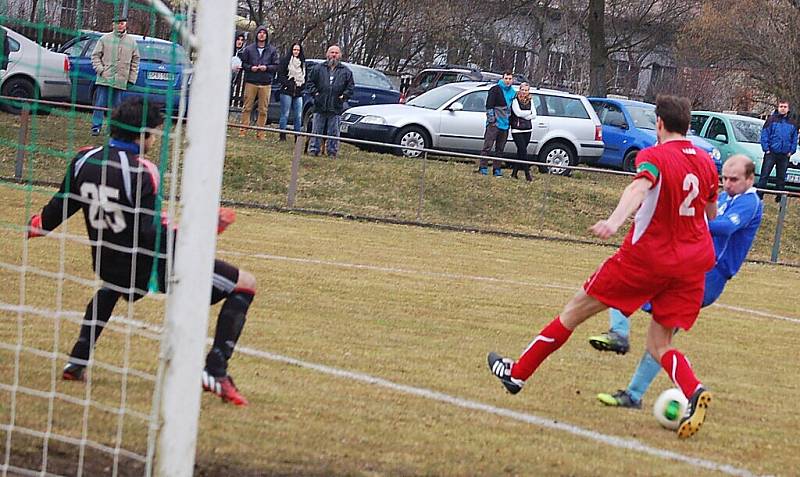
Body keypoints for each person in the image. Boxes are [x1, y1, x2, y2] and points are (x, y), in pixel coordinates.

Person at [487, 95, 720, 439]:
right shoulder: (704, 161)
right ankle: (694, 391)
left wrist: (614, 221)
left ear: (659, 124)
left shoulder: (654, 155)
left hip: (647, 259)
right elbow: (711, 213)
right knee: (660, 344)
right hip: (690, 265)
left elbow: (640, 186)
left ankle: (517, 374)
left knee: (573, 312)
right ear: (688, 125)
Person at [26, 97, 255, 407]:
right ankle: (215, 370)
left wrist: (38, 225)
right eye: (154, 133)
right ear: (142, 134)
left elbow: (56, 210)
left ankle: (77, 360)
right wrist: (206, 230)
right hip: (148, 265)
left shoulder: (84, 159)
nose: (155, 139)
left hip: (109, 264)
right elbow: (152, 234)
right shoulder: (143, 170)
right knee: (244, 283)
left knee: (112, 287)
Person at [588, 154, 763, 409]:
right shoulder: (726, 197)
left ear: (750, 178)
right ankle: (629, 375)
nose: (726, 184)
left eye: (734, 179)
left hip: (709, 277)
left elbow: (723, 227)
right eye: (723, 178)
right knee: (648, 320)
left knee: (636, 300)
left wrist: (689, 221)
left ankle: (622, 347)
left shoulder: (750, 203)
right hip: (691, 267)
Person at [90, 15, 140, 136]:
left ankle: (113, 128)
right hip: (105, 78)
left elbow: (135, 61)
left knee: (117, 106)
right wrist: (101, 70)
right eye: (118, 23)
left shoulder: (131, 42)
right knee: (100, 103)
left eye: (122, 23)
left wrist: (131, 79)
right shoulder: (104, 39)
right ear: (113, 25)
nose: (120, 25)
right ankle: (96, 127)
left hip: (121, 80)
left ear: (126, 24)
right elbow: (95, 56)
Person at [306, 45, 354, 158]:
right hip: (320, 104)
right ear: (327, 54)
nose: (334, 55)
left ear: (340, 55)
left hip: (336, 106)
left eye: (336, 53)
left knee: (334, 131)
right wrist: (316, 94)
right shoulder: (318, 68)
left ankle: (332, 152)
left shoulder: (346, 71)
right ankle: (314, 150)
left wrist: (344, 97)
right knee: (316, 130)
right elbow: (310, 83)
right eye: (332, 52)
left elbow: (350, 87)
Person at [238, 25, 279, 139]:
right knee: (247, 107)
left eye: (264, 33)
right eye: (260, 32)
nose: (262, 34)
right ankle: (243, 130)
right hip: (251, 81)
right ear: (257, 34)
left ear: (266, 36)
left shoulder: (272, 50)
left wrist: (266, 68)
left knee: (263, 109)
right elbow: (244, 64)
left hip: (265, 83)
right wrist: (251, 68)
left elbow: (276, 65)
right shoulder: (249, 49)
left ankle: (260, 132)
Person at [756, 100, 798, 202]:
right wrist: (766, 149)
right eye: (781, 106)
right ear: (778, 108)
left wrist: (791, 151)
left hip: (784, 154)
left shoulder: (792, 122)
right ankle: (759, 196)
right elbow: (765, 134)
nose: (782, 108)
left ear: (788, 109)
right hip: (771, 152)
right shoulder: (771, 120)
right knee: (764, 175)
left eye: (785, 107)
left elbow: (794, 138)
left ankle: (779, 198)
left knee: (781, 177)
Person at [479, 71, 515, 177]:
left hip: (505, 124)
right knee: (487, 146)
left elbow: (512, 109)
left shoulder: (513, 93)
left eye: (510, 79)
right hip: (494, 124)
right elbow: (489, 106)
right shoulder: (495, 90)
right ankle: (483, 167)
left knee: (500, 149)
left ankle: (497, 169)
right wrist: (492, 121)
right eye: (506, 78)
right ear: (502, 79)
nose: (508, 81)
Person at [277, 42, 306, 142]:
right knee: (285, 113)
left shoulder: (302, 63)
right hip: (286, 91)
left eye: (298, 50)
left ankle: (297, 136)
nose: (296, 52)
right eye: (294, 50)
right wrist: (288, 84)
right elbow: (280, 75)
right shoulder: (285, 61)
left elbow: (304, 77)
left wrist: (302, 86)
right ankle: (282, 135)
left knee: (298, 115)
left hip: (298, 92)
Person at [509, 82, 536, 181]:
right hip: (517, 129)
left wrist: (527, 114)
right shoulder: (515, 100)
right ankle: (527, 174)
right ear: (519, 90)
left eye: (526, 90)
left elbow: (534, 114)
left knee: (521, 152)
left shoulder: (530, 100)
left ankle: (514, 173)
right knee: (523, 151)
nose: (524, 92)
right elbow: (518, 113)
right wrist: (528, 113)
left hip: (528, 129)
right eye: (523, 90)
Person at [230, 32, 246, 99]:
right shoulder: (228, 51)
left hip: (232, 82)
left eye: (242, 40)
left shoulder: (242, 54)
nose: (240, 42)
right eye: (238, 39)